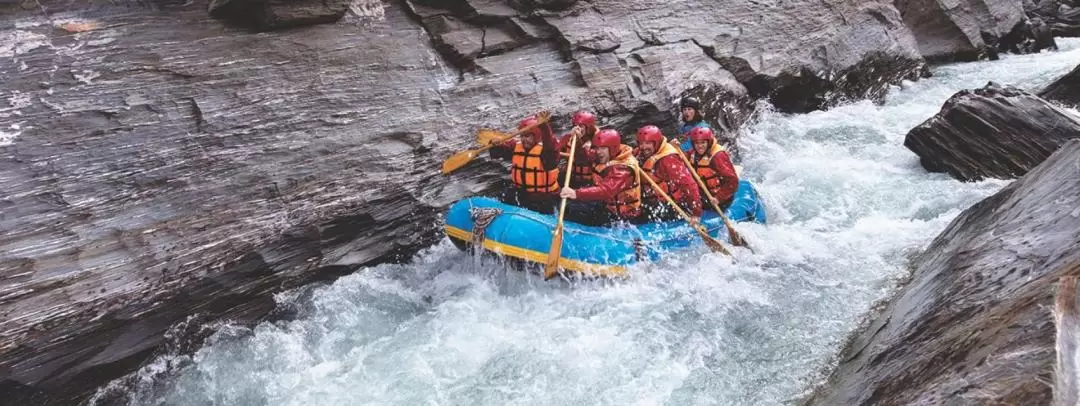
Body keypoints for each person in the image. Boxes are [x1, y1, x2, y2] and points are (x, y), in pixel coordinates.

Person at [558, 129, 641, 226]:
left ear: (613, 148)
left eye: (603, 148)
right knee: (569, 206)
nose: (598, 152)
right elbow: (582, 158)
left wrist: (576, 193)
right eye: (597, 148)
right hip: (606, 206)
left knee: (573, 211)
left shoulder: (624, 169)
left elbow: (606, 190)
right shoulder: (606, 155)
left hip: (623, 217)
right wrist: (577, 141)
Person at [489, 111, 559, 214]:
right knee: (508, 194)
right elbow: (497, 153)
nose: (524, 139)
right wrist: (494, 144)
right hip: (522, 193)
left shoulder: (546, 153)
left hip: (543, 198)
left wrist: (544, 126)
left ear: (536, 136)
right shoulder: (516, 147)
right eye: (522, 136)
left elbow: (550, 147)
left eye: (527, 136)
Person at [634, 125, 702, 223]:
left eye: (648, 143)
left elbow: (689, 185)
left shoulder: (668, 160)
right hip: (652, 202)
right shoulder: (640, 153)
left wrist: (696, 214)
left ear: (656, 143)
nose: (643, 147)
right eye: (641, 143)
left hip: (672, 204)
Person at [688, 126, 739, 210]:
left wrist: (718, 198)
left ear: (709, 142)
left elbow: (732, 181)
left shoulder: (717, 157)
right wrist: (675, 148)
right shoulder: (693, 153)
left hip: (720, 197)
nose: (700, 146)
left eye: (703, 142)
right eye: (696, 143)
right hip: (704, 193)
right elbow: (681, 158)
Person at [557, 110, 600, 188]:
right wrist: (568, 136)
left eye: (581, 126)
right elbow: (556, 150)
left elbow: (584, 159)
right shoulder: (570, 137)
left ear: (589, 128)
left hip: (589, 182)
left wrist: (577, 142)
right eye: (575, 125)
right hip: (571, 177)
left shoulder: (598, 141)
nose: (577, 129)